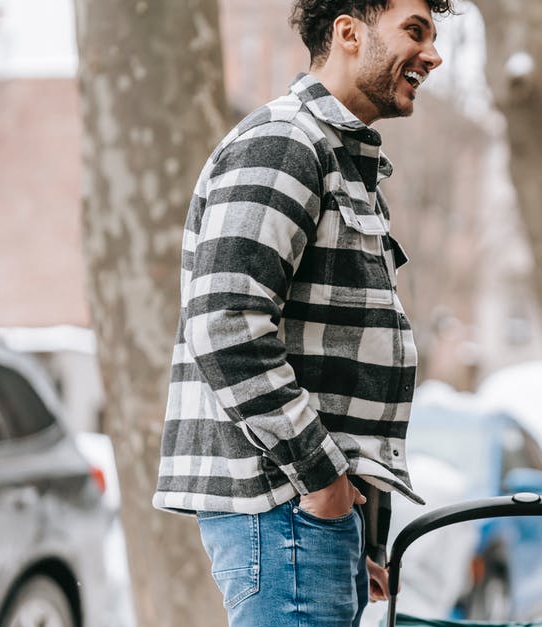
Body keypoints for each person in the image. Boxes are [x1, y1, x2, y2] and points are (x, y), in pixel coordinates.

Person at [152, 1, 453, 624]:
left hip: (304, 517)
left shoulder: (336, 158)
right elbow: (228, 324)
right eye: (415, 31)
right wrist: (324, 487)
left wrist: (353, 530)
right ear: (349, 32)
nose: (432, 54)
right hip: (285, 504)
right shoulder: (285, 141)